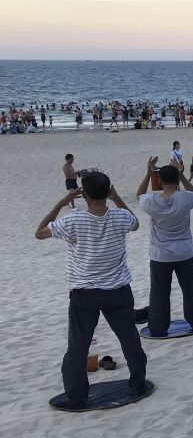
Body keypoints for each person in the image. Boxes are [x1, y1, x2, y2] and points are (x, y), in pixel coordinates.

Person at [34, 171, 147, 408]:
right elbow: (134, 222)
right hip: (117, 290)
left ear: (83, 194)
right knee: (129, 339)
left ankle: (76, 396)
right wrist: (116, 197)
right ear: (107, 191)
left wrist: (62, 202)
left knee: (78, 346)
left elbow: (40, 232)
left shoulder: (73, 220)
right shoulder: (119, 217)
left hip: (85, 292)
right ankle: (137, 384)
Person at [134, 157, 193, 337]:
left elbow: (139, 195)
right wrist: (182, 176)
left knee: (159, 293)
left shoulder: (152, 201)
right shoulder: (185, 198)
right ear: (176, 180)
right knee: (191, 290)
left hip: (161, 254)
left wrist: (149, 172)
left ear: (160, 180)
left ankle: (158, 327)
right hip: (185, 252)